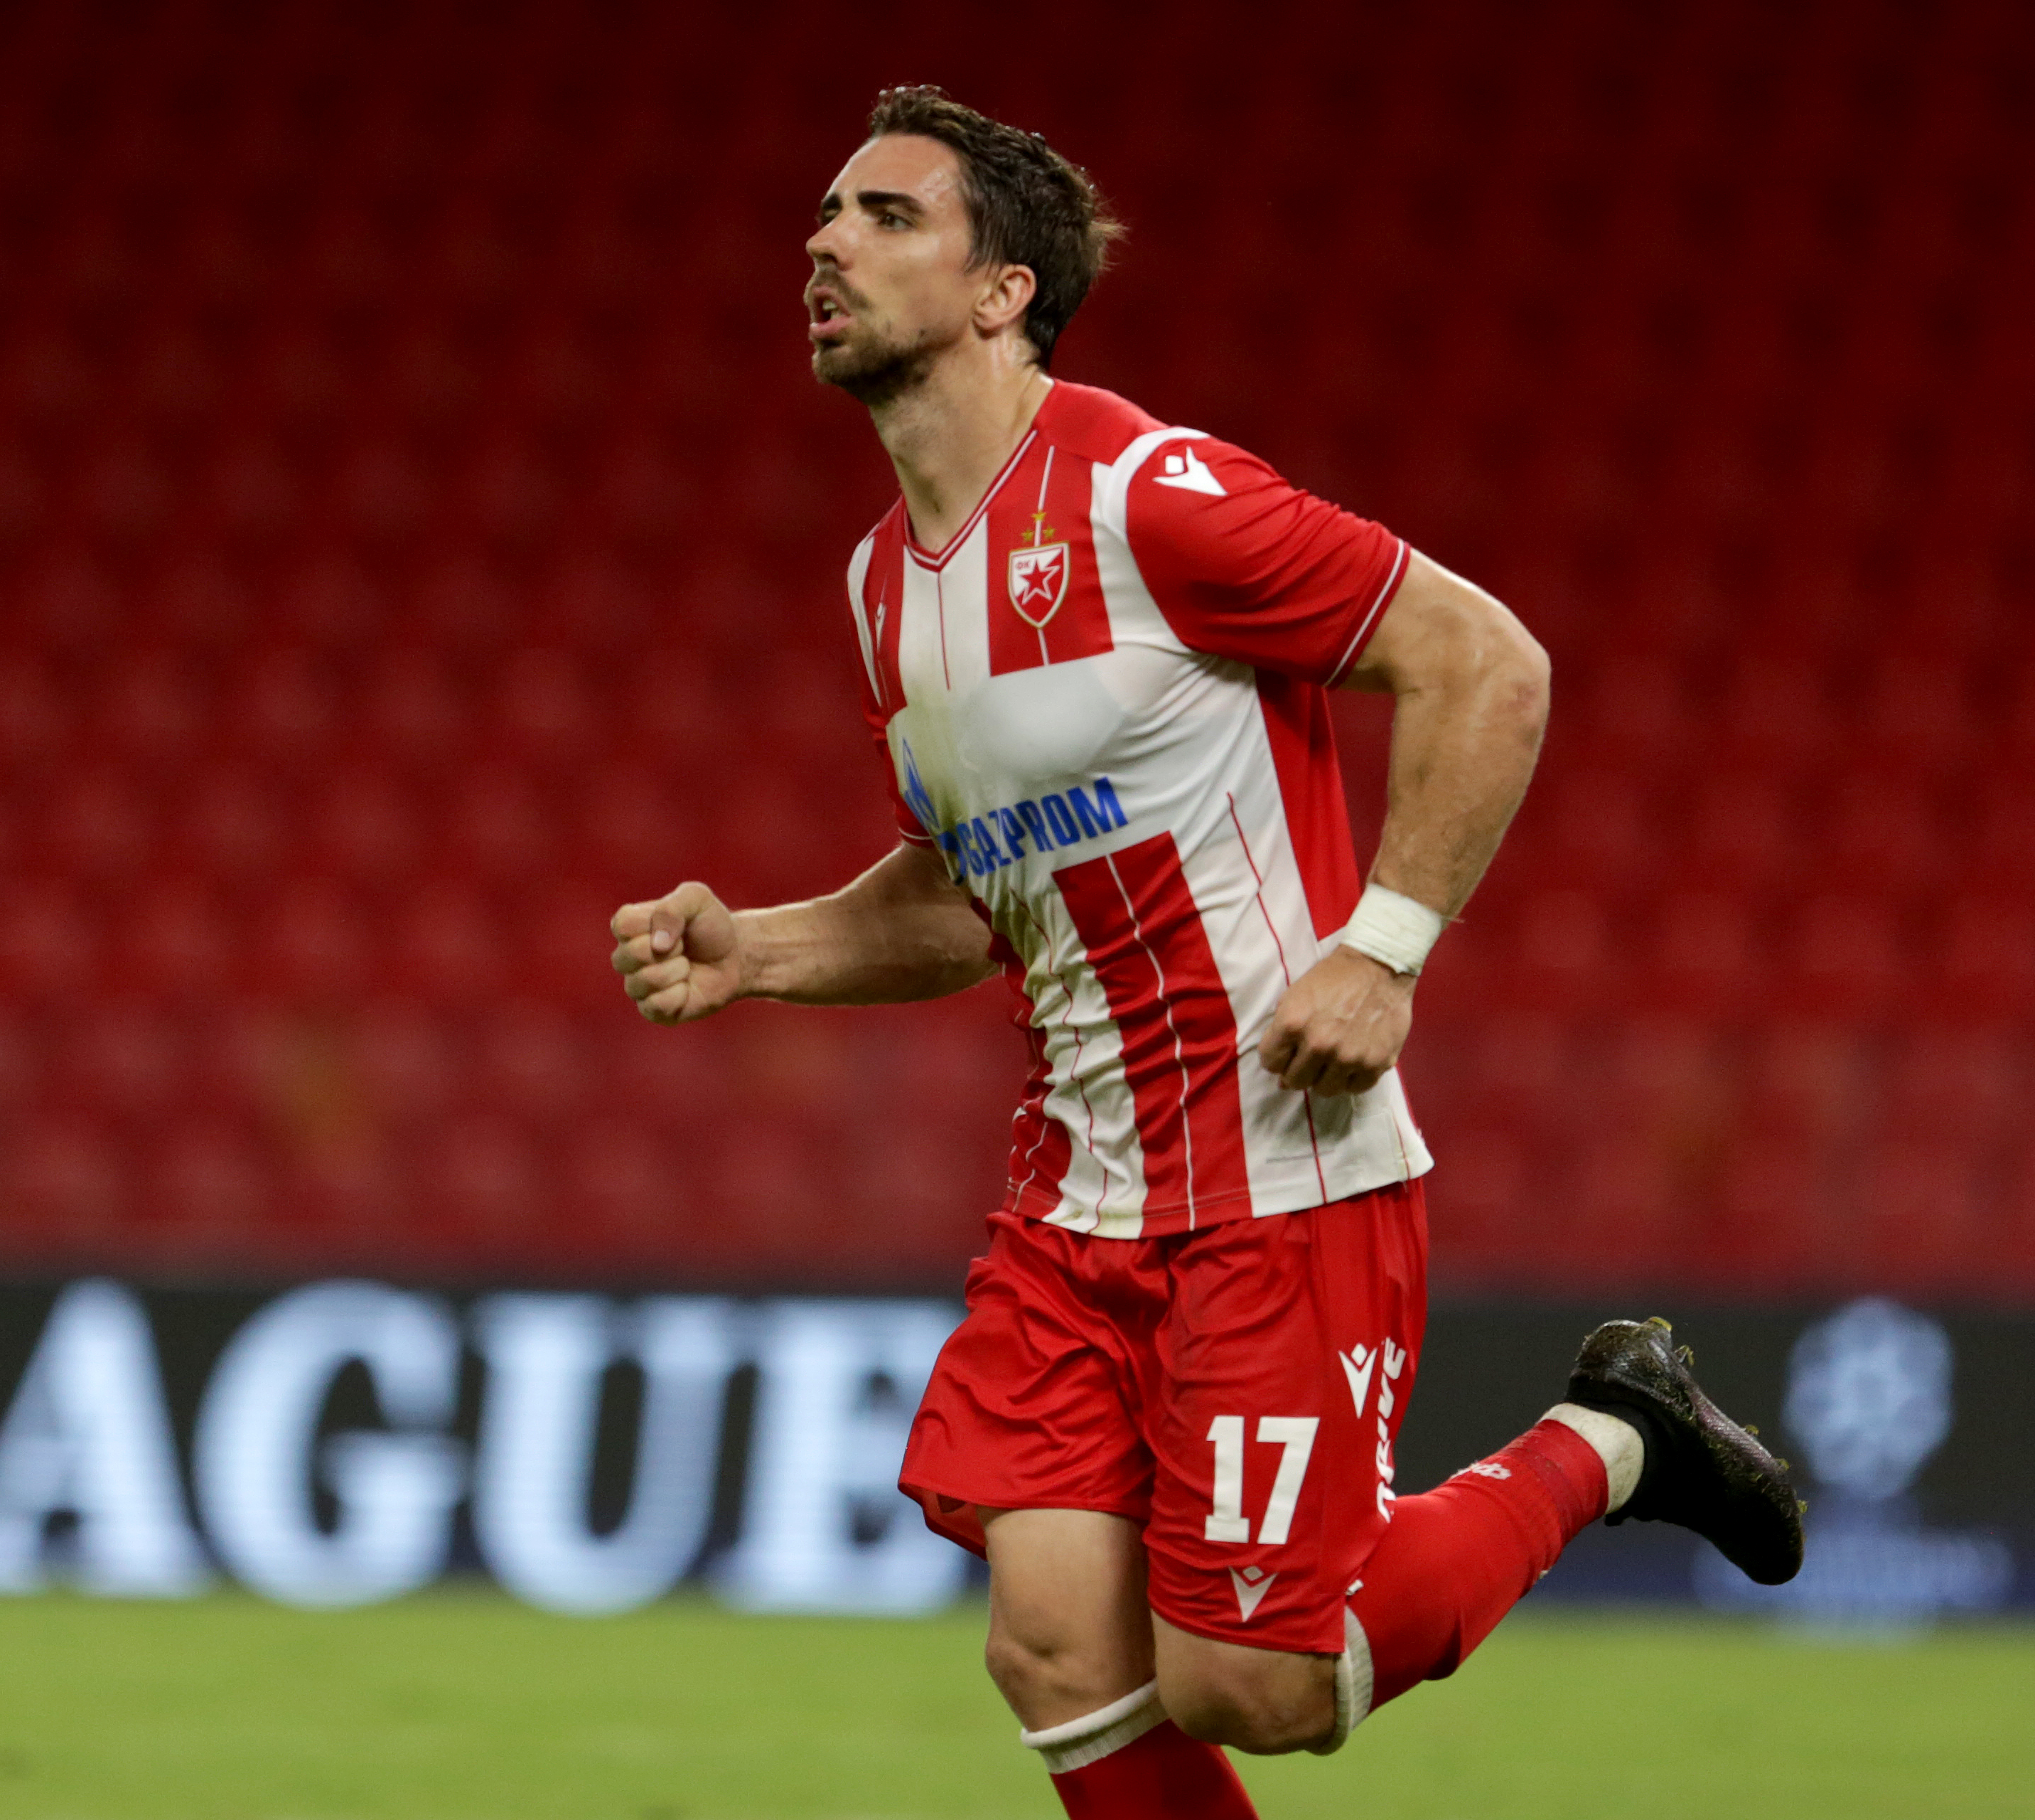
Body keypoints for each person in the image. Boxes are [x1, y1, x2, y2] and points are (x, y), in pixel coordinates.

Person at [611, 86, 1801, 1819]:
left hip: (1275, 1164)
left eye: (881, 216)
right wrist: (763, 947)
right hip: (1074, 1187)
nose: (822, 243)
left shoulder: (1148, 494)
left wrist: (1383, 949)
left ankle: (1621, 1436)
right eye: (823, 214)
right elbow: (972, 895)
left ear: (1003, 289)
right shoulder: (883, 587)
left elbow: (1488, 664)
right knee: (1050, 1642)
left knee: (1251, 1684)